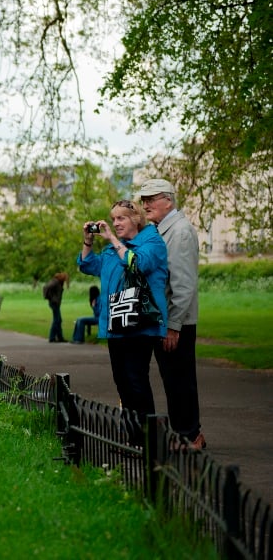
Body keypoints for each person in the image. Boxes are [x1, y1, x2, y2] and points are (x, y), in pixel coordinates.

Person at [77, 200, 169, 443]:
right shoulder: (110, 250)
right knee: (123, 383)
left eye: (121, 218)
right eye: (113, 219)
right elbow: (88, 265)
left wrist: (113, 241)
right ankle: (133, 437)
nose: (115, 223)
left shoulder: (152, 242)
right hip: (116, 324)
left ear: (136, 219)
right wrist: (88, 241)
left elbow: (137, 264)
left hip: (140, 323)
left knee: (136, 380)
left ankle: (148, 441)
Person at [138, 178, 205, 451]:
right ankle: (183, 434)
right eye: (143, 200)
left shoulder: (179, 232)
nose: (145, 205)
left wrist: (173, 325)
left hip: (176, 322)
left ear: (168, 199)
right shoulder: (162, 230)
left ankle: (191, 436)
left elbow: (183, 284)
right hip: (166, 321)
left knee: (181, 380)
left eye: (150, 199)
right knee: (174, 381)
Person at [43, 272, 68, 342]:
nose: (66, 280)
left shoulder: (58, 282)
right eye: (65, 278)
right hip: (54, 303)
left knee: (59, 320)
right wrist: (50, 297)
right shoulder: (55, 282)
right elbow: (46, 287)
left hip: (56, 303)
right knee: (57, 320)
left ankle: (60, 337)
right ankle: (52, 337)